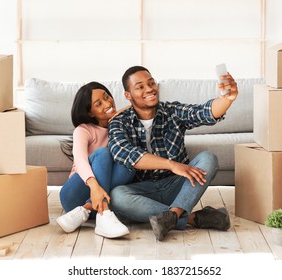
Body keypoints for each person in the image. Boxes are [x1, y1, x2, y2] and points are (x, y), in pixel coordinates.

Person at [107, 66, 238, 241]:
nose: (149, 89)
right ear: (128, 95)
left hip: (178, 185)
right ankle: (191, 218)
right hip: (144, 191)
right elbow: (125, 153)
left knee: (208, 158)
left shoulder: (172, 111)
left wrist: (227, 99)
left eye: (151, 83)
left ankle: (173, 215)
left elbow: (203, 112)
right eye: (140, 87)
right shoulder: (119, 122)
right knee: (117, 196)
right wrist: (172, 164)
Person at [57, 81, 135, 238]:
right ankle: (103, 211)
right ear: (90, 113)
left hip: (98, 202)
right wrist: (94, 187)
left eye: (107, 97)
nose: (108, 103)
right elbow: (80, 161)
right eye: (99, 103)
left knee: (130, 164)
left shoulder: (119, 126)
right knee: (103, 153)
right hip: (74, 196)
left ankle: (87, 209)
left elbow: (141, 108)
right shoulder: (83, 130)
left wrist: (118, 116)